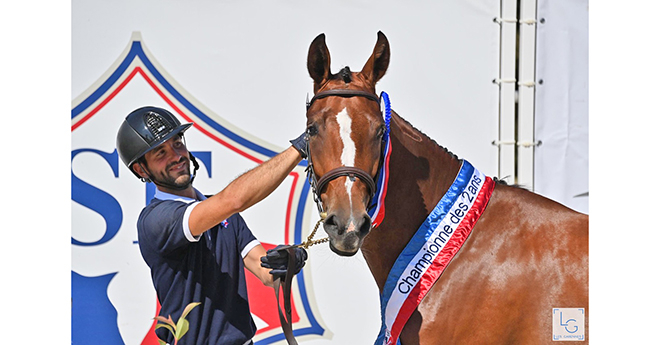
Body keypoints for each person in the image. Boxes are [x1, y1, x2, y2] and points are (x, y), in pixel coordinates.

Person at [116, 106, 308, 345]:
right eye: (160, 153)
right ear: (141, 169)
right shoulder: (155, 220)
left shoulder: (222, 213)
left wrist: (286, 263)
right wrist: (299, 149)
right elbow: (233, 200)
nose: (176, 156)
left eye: (177, 143)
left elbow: (266, 273)